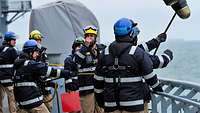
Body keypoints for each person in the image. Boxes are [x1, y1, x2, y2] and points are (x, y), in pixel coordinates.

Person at [94, 18, 164, 113]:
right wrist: (158, 88)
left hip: (111, 105)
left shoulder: (104, 54)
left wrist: (100, 101)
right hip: (134, 105)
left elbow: (98, 82)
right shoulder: (137, 52)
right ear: (131, 34)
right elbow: (149, 76)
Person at [13, 40, 73, 113]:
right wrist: (67, 73)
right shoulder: (31, 64)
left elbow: (29, 80)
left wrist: (48, 83)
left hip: (21, 105)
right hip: (34, 104)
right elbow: (50, 71)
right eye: (36, 52)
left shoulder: (18, 65)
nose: (37, 54)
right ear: (30, 52)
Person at [74, 25, 106, 113]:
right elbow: (75, 64)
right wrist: (85, 46)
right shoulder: (81, 50)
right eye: (87, 36)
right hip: (87, 91)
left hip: (100, 89)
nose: (90, 38)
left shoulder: (102, 49)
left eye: (92, 36)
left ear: (95, 37)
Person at [29, 30, 53, 112]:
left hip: (45, 88)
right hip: (34, 89)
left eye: (39, 39)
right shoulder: (28, 54)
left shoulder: (43, 53)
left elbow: (46, 69)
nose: (38, 41)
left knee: (49, 107)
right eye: (36, 39)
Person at [0, 31, 18, 113]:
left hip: (0, 80)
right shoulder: (12, 50)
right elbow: (18, 64)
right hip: (9, 80)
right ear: (8, 41)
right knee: (12, 100)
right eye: (13, 40)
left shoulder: (0, 49)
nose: (15, 41)